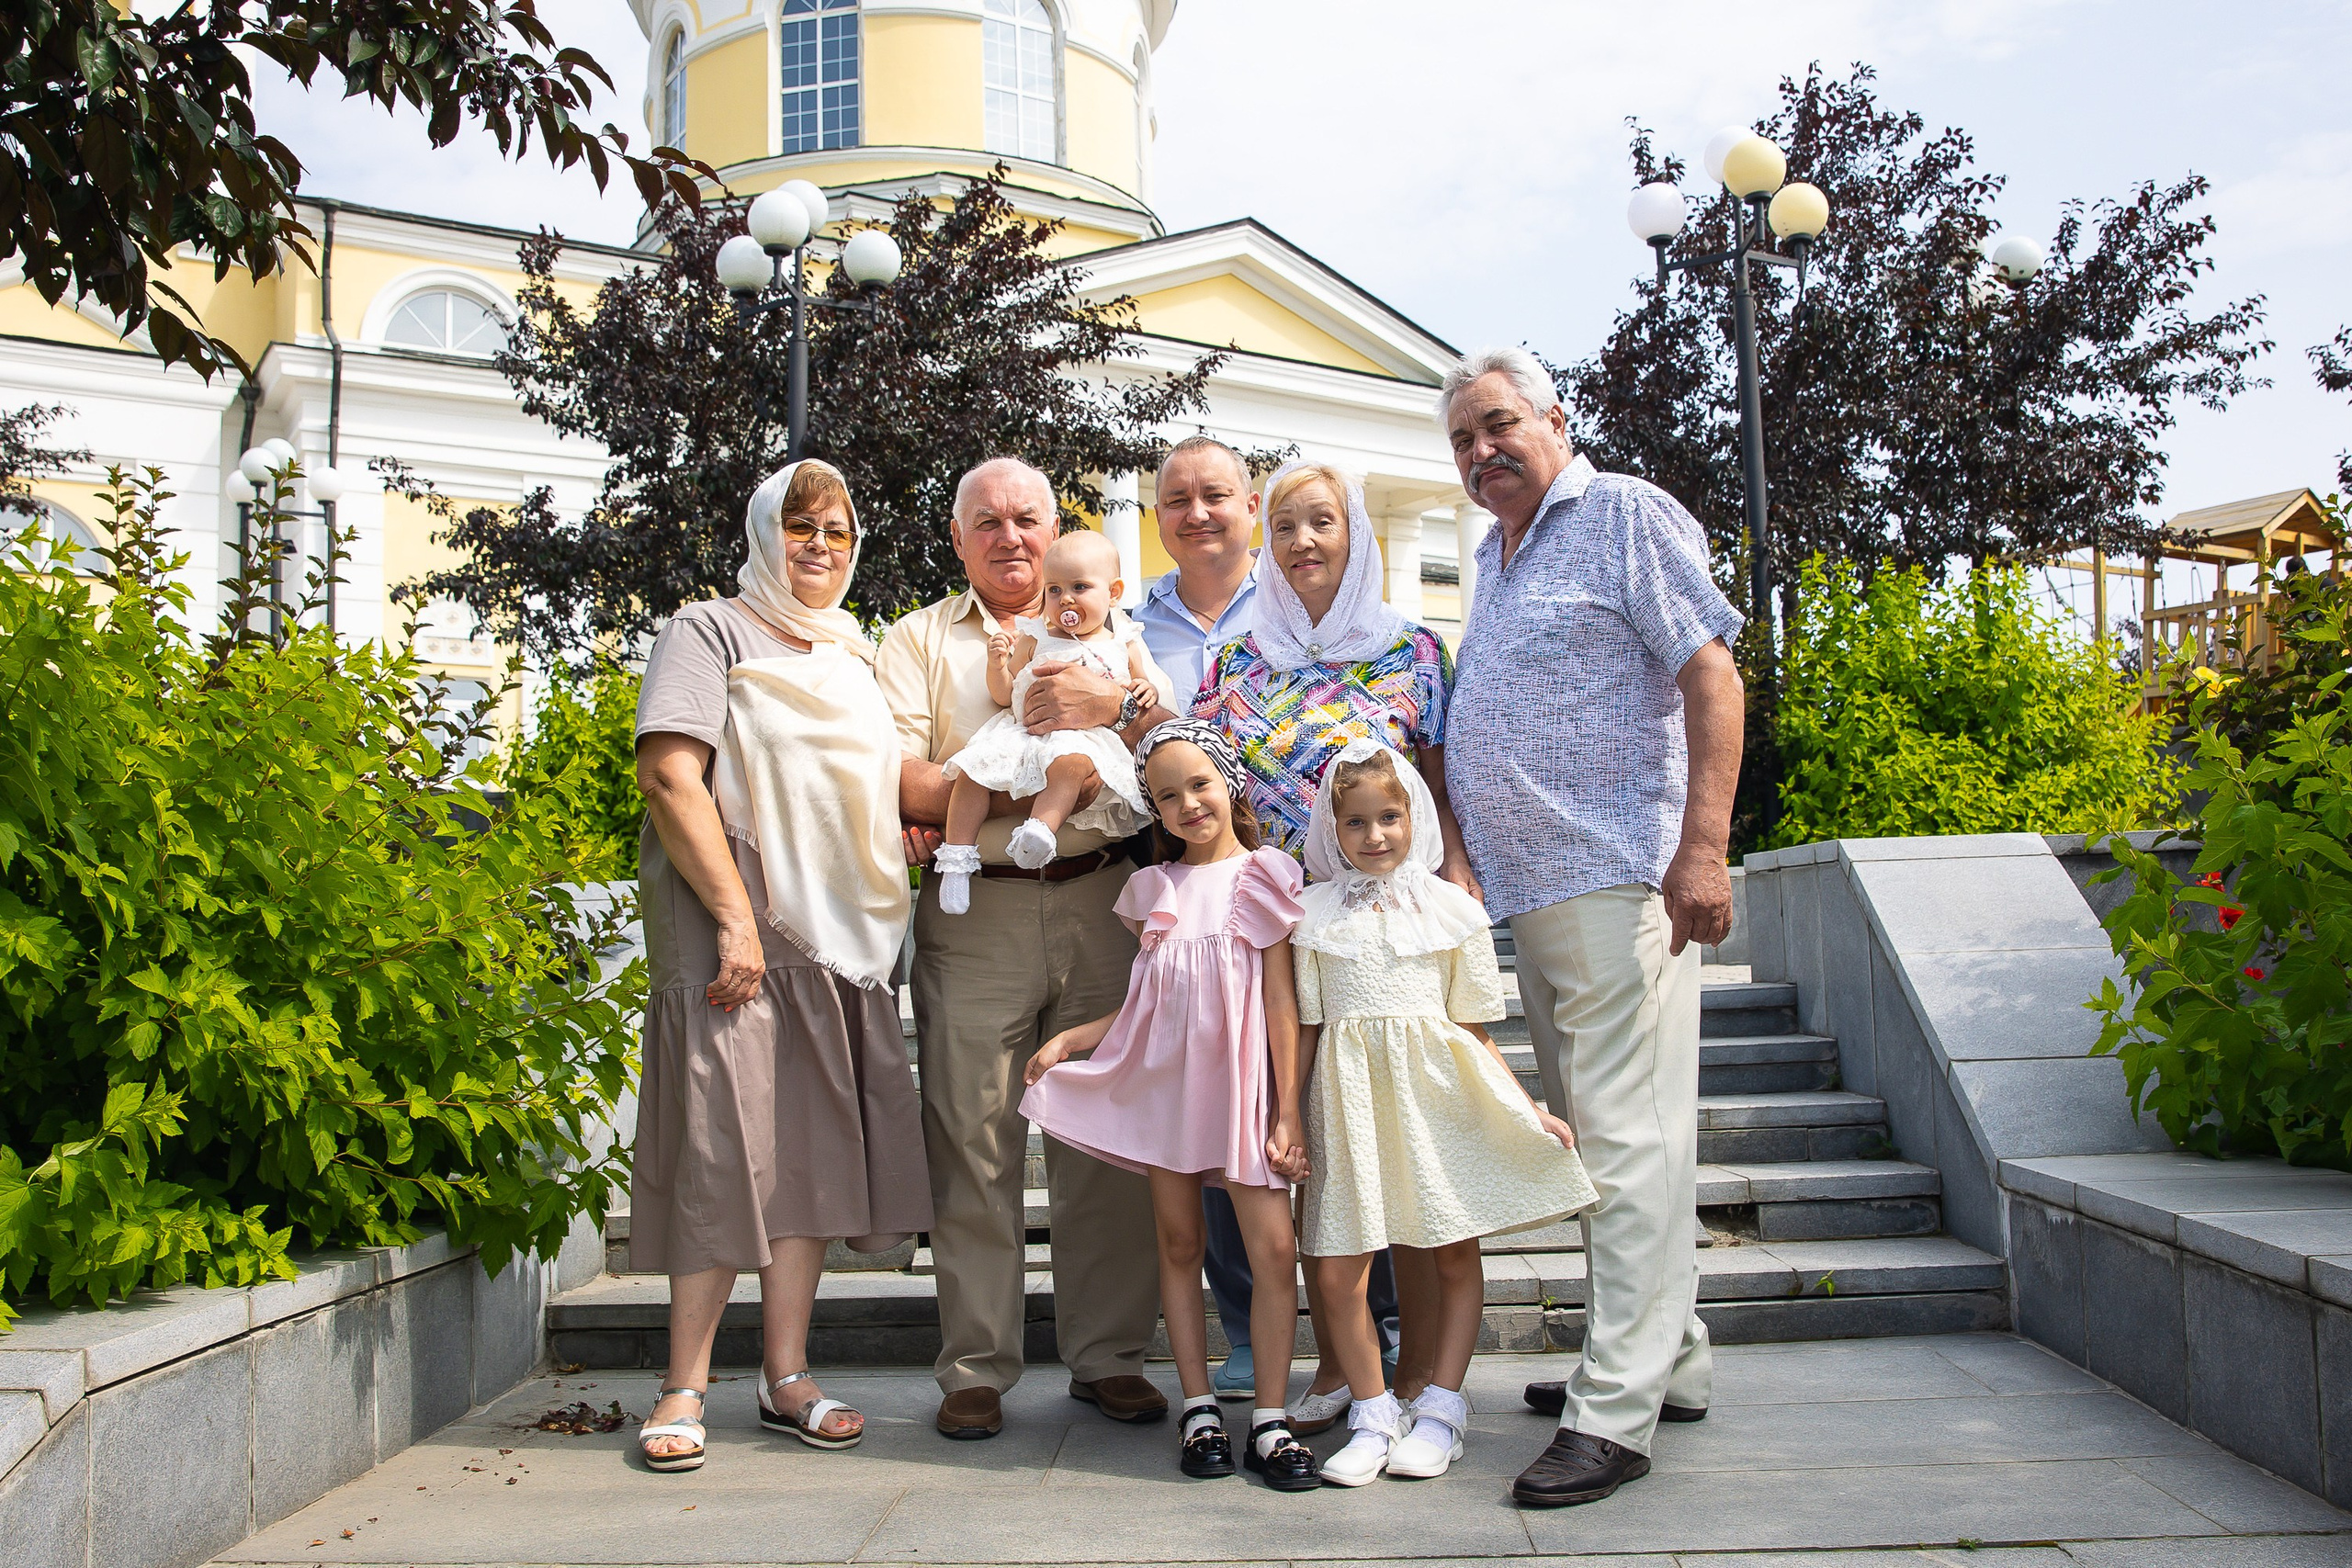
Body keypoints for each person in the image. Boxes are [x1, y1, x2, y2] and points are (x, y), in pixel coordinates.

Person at [1437, 347, 1745, 1509]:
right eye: (1462, 441)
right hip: (1536, 892)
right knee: (1617, 1142)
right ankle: (1672, 1360)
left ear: (1556, 420)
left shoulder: (1620, 512)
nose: (1480, 453)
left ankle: (1612, 1412)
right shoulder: (1498, 553)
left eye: (1498, 425)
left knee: (1622, 1147)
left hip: (1620, 880)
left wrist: (1701, 851)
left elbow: (1712, 678)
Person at [628, 459, 931, 1472]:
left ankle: (785, 1375)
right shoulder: (707, 629)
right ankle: (683, 1383)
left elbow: (878, 784)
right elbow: (672, 775)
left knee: (800, 1144)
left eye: (840, 530)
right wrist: (735, 920)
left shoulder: (852, 653)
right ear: (765, 531)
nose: (821, 545)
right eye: (801, 525)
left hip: (832, 931)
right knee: (725, 1146)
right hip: (734, 914)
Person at [876, 457, 1180, 1442]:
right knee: (971, 1139)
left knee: (1105, 1137)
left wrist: (1112, 715)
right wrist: (1049, 785)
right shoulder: (918, 641)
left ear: (1058, 532)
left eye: (1028, 519)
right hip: (977, 915)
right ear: (958, 538)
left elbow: (1171, 741)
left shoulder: (1115, 631)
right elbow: (904, 784)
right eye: (987, 521)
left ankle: (1109, 1358)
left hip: (1102, 904)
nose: (1011, 536)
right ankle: (973, 1367)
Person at [1193, 457, 1464, 1432]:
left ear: (1355, 534)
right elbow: (1204, 789)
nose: (1303, 541)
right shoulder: (1233, 660)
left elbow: (1439, 775)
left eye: (1322, 522)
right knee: (1290, 1142)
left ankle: (1400, 1364)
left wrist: (1457, 879)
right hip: (1271, 933)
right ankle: (1328, 1356)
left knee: (1386, 1139)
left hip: (1380, 935)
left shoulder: (1412, 650)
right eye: (1286, 525)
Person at [1021, 720, 1322, 1491]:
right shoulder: (1155, 890)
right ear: (1153, 811)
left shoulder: (1264, 874)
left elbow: (1283, 1003)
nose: (1188, 804)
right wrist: (1072, 1042)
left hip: (1245, 1093)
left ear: (1230, 784)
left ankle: (1270, 1415)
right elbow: (1143, 1006)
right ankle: (1197, 1407)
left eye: (1200, 785)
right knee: (1180, 1245)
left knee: (1274, 1249)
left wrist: (1288, 1110)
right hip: (1168, 1091)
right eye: (1167, 796)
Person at [1290, 740, 1595, 1486]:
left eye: (1389, 816)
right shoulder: (1311, 916)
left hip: (1438, 1103)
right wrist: (1288, 1117)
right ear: (1333, 829)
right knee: (1337, 1267)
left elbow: (1475, 1028)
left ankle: (1441, 1408)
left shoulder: (1453, 909)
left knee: (1454, 1252)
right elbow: (1305, 1028)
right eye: (1356, 822)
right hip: (1348, 1101)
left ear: (1413, 814)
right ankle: (1371, 1410)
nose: (1375, 835)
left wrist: (1529, 1109)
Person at [1126, 434, 1264, 1401]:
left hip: (1285, 900)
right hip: (1179, 906)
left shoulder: (1299, 605)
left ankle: (1364, 1344)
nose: (1197, 512)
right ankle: (1241, 1355)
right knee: (1204, 1156)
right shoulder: (1131, 628)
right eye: (1176, 498)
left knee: (1286, 1137)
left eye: (1215, 494)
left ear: (1249, 506)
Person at [933, 530, 1162, 908]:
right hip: (1022, 732)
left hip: (1080, 738)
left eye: (1080, 587)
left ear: (1114, 593)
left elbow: (1142, 687)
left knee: (1071, 769)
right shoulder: (1036, 635)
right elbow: (1004, 694)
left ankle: (1040, 829)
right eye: (1053, 589)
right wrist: (996, 666)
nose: (1065, 599)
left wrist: (1144, 690)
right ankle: (956, 861)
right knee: (973, 773)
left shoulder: (1123, 640)